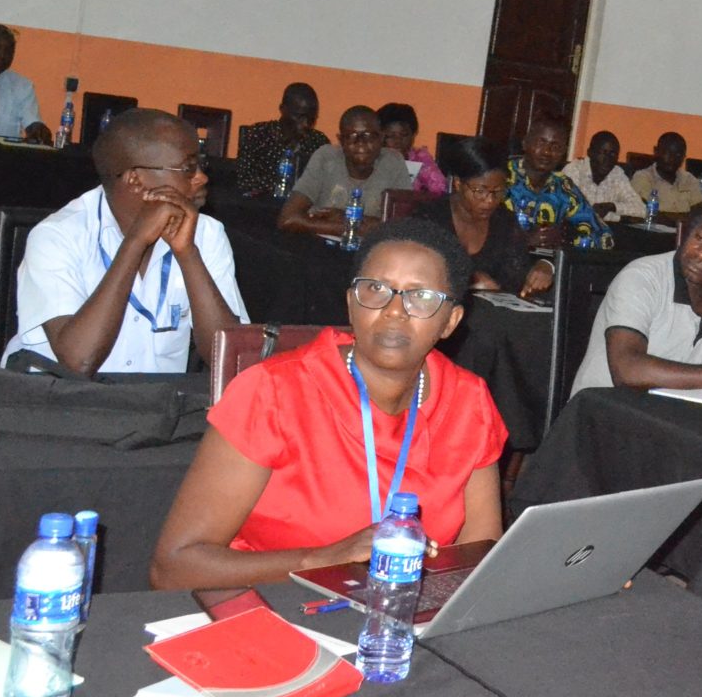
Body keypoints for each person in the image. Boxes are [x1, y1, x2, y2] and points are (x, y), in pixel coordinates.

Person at [148, 221, 507, 589]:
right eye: (376, 288)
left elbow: (478, 560)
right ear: (351, 304)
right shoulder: (272, 392)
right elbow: (174, 567)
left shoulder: (469, 401)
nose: (395, 310)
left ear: (450, 322)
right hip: (275, 605)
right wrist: (320, 560)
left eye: (422, 296)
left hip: (405, 610)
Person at [7, 109, 247, 374]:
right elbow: (79, 361)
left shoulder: (207, 234)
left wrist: (188, 253)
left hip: (158, 398)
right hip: (61, 394)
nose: (202, 177)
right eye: (188, 168)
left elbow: (230, 359)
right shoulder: (57, 236)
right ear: (136, 179)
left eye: (201, 165)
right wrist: (135, 242)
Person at [569, 204, 702, 392]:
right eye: (699, 238)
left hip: (668, 413)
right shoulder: (642, 277)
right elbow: (628, 370)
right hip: (603, 411)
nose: (701, 254)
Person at [415, 138, 554, 301]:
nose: (490, 200)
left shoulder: (504, 220)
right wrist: (470, 281)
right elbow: (417, 272)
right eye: (480, 191)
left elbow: (518, 277)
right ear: (458, 183)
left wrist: (544, 266)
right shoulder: (429, 218)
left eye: (498, 191)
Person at [279, 106, 413, 238]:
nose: (360, 143)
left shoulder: (393, 162)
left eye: (369, 136)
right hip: (319, 246)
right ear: (341, 140)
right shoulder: (326, 157)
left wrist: (343, 217)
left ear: (381, 138)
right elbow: (288, 219)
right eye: (351, 136)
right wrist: (355, 227)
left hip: (369, 249)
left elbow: (402, 228)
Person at [506, 114, 604, 249]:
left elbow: (603, 236)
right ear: (525, 143)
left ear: (564, 152)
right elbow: (480, 230)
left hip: (550, 261)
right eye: (541, 143)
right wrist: (524, 240)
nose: (547, 152)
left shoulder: (564, 187)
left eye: (556, 147)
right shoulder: (502, 178)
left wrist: (566, 237)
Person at [235, 83, 328, 198]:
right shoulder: (258, 135)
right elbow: (243, 180)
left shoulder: (319, 143)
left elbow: (325, 187)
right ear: (282, 109)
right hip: (260, 204)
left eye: (311, 119)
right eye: (300, 117)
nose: (306, 124)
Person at [563, 129, 641, 222]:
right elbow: (573, 211)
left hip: (607, 229)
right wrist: (619, 218)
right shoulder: (574, 170)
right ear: (590, 152)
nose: (608, 159)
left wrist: (612, 206)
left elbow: (641, 209)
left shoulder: (617, 174)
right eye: (603, 152)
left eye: (613, 154)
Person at [376, 102, 447, 197]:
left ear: (413, 135)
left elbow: (440, 188)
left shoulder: (421, 160)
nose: (398, 141)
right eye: (391, 136)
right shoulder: (372, 159)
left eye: (404, 135)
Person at [631, 131, 702, 217]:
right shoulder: (642, 177)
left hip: (686, 226)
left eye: (678, 155)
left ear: (684, 157)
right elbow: (645, 212)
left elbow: (700, 211)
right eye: (667, 153)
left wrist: (671, 218)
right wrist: (681, 219)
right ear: (656, 151)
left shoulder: (689, 179)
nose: (672, 158)